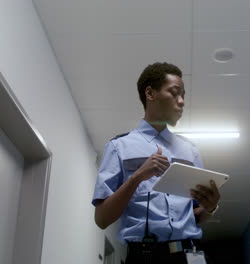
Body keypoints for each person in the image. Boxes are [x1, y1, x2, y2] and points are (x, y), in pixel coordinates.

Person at [92, 62, 220, 264]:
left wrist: (209, 207)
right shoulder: (119, 147)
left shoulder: (191, 151)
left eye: (183, 95)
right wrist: (137, 177)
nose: (181, 101)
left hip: (189, 255)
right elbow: (101, 219)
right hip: (145, 256)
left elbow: (195, 216)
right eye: (175, 93)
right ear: (150, 94)